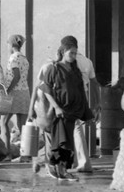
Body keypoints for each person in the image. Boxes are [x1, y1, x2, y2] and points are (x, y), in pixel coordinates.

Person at [38, 38, 94, 180]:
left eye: (75, 53)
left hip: (73, 113)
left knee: (68, 143)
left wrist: (87, 114)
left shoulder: (76, 71)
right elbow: (45, 88)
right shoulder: (54, 68)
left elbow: (82, 93)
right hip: (60, 113)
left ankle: (61, 170)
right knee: (61, 142)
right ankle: (60, 170)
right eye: (71, 53)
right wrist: (56, 107)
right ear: (63, 52)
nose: (73, 56)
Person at [60, 36, 100, 173]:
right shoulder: (87, 61)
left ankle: (82, 162)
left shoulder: (69, 61)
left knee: (73, 130)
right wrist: (97, 103)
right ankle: (75, 162)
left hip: (70, 99)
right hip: (82, 98)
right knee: (74, 129)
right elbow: (94, 83)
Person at [0, 34, 31, 161]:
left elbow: (16, 76)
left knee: (3, 122)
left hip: (13, 93)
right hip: (24, 93)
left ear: (12, 45)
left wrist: (7, 90)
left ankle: (7, 154)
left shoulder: (13, 58)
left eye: (8, 44)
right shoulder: (24, 58)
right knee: (22, 125)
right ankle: (25, 155)